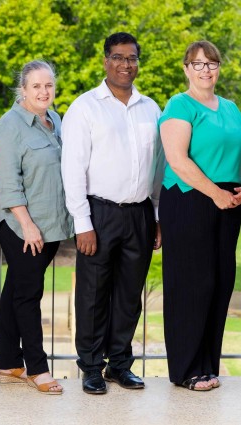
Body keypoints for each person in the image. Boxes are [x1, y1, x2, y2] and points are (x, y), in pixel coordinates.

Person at [61, 32, 163, 395]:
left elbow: (157, 168)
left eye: (132, 58)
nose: (126, 64)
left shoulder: (151, 108)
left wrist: (155, 216)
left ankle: (120, 365)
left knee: (128, 294)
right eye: (118, 57)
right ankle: (90, 367)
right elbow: (72, 169)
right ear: (105, 61)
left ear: (138, 63)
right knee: (92, 293)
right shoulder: (85, 107)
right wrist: (82, 223)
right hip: (99, 213)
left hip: (138, 214)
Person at [159, 40, 241, 392]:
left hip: (227, 203)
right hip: (189, 199)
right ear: (186, 69)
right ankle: (186, 369)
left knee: (219, 283)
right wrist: (216, 194)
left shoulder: (231, 108)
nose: (206, 70)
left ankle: (208, 364)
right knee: (190, 285)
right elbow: (178, 160)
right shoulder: (179, 105)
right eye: (198, 64)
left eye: (212, 63)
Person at [0, 60, 72, 395]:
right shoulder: (9, 127)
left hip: (50, 223)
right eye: (36, 86)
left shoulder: (56, 121)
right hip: (20, 224)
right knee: (28, 293)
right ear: (22, 89)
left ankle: (9, 364)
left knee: (16, 290)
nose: (43, 92)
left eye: (48, 85)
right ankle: (37, 367)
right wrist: (27, 225)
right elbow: (8, 184)